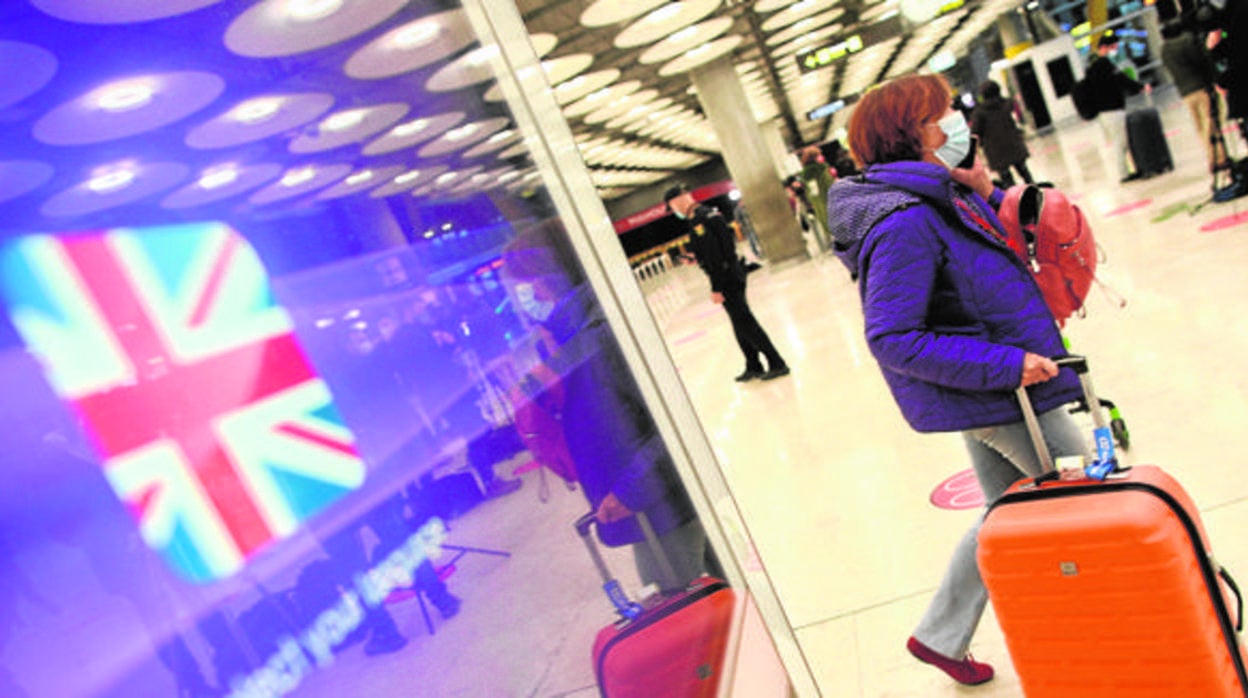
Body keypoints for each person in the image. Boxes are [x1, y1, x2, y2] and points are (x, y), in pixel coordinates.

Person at [825, 74, 1089, 686]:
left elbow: (986, 268)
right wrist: (1009, 366)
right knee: (1100, 491)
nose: (956, 121)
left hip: (996, 386)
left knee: (1003, 513)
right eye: (941, 115)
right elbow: (891, 336)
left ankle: (941, 636)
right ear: (909, 135)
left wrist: (985, 190)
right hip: (1001, 388)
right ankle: (1156, 600)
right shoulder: (904, 221)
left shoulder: (941, 195)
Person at [500, 223, 722, 589]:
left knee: (677, 602)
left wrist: (630, 492)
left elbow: (671, 421)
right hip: (656, 503)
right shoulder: (572, 337)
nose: (531, 292)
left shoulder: (601, 335)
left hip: (662, 505)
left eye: (533, 280)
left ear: (556, 274)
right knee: (714, 594)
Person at [663, 185, 790, 382]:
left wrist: (717, 287)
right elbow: (720, 247)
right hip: (731, 273)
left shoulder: (699, 220)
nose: (675, 211)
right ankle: (753, 365)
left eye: (672, 206)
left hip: (727, 278)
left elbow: (716, 257)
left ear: (678, 200)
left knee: (746, 322)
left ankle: (777, 362)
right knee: (739, 322)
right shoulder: (708, 214)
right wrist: (696, 256)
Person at [1161, 20, 1230, 173]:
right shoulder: (1187, 41)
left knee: (1200, 126)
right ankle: (1218, 157)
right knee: (1210, 123)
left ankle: (1211, 155)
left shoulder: (1164, 50)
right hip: (1201, 87)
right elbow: (1203, 61)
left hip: (1185, 93)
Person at [1084, 31, 1147, 182]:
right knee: (1120, 143)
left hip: (1104, 112)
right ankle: (1123, 174)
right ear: (1104, 47)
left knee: (1119, 142)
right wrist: (1139, 87)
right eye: (1113, 47)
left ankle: (1127, 171)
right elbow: (1121, 80)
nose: (1115, 50)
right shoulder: (1104, 65)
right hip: (1112, 110)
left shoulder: (1092, 68)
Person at [970, 80, 1034, 186]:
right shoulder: (1008, 104)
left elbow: (976, 132)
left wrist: (978, 147)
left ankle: (1016, 199)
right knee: (1024, 172)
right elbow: (1018, 120)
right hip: (1014, 145)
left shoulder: (979, 113)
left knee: (1007, 179)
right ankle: (1035, 192)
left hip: (995, 151)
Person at [799, 146, 836, 251]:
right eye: (819, 155)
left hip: (817, 201)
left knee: (824, 220)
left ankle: (831, 241)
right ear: (814, 157)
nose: (821, 157)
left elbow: (810, 190)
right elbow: (829, 183)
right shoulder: (822, 169)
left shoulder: (805, 173)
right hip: (829, 197)